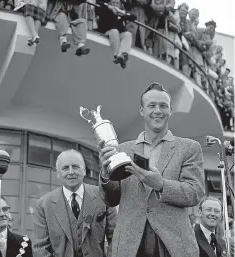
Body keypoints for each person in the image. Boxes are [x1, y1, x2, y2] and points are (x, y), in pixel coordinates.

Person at [99, 82, 205, 257]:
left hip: (173, 245)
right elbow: (111, 200)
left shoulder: (189, 147)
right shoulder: (122, 150)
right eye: (152, 105)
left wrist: (161, 185)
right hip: (130, 245)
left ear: (170, 110)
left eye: (163, 106)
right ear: (142, 110)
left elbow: (195, 192)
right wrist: (105, 174)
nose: (158, 110)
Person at [32, 149, 117, 257]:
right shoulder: (43, 205)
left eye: (75, 166)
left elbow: (116, 239)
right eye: (65, 168)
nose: (71, 172)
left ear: (84, 170)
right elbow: (40, 248)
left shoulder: (103, 196)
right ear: (58, 174)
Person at [96, 0, 136, 69]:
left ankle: (122, 55)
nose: (115, 4)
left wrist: (121, 12)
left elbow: (134, 17)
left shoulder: (120, 13)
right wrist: (109, 7)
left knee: (128, 34)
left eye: (117, 3)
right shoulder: (106, 10)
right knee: (115, 31)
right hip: (107, 33)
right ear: (110, 3)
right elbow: (98, 5)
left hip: (119, 35)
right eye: (113, 2)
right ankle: (117, 55)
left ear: (120, 4)